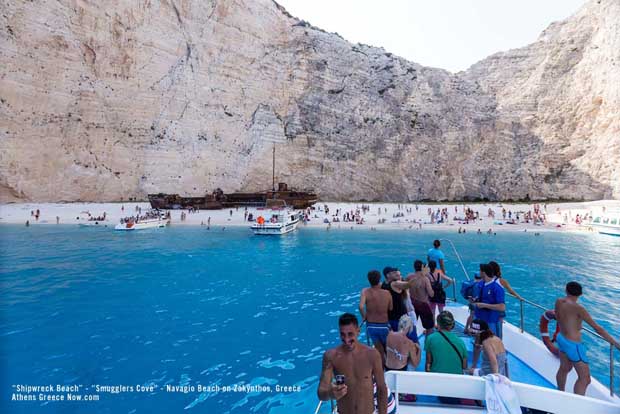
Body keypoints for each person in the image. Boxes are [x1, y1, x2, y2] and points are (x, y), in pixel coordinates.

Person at [555, 282, 620, 396]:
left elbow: (560, 317)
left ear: (566, 291)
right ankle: (577, 406)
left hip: (561, 338)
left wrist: (575, 324)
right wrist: (615, 343)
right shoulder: (579, 308)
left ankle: (560, 394)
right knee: (585, 379)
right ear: (580, 294)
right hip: (573, 345)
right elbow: (597, 328)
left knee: (564, 368)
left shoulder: (559, 301)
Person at [318, 313, 388, 414]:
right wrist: (330, 394)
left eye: (350, 334)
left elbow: (381, 389)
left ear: (358, 331)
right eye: (342, 334)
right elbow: (321, 393)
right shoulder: (331, 357)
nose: (346, 340)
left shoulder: (372, 355)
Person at [424, 311, 468, 404]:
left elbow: (428, 363)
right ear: (452, 325)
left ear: (438, 324)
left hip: (437, 380)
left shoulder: (431, 338)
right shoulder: (461, 342)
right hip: (456, 381)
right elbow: (464, 366)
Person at [359, 270, 392, 362]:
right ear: (379, 279)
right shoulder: (387, 293)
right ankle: (390, 366)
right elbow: (390, 308)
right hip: (384, 325)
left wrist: (364, 316)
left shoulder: (365, 291)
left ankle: (382, 368)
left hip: (371, 325)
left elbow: (361, 306)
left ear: (369, 280)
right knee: (388, 348)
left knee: (379, 351)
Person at [381, 267, 417, 343]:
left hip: (391, 318)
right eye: (393, 273)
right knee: (412, 340)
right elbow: (409, 285)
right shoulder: (394, 284)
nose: (396, 274)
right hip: (402, 318)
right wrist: (420, 275)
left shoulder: (383, 284)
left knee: (398, 340)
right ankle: (415, 353)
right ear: (388, 275)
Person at [470, 263, 505, 338]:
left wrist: (484, 305)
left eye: (480, 271)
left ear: (483, 273)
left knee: (490, 340)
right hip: (478, 317)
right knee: (477, 340)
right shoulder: (480, 284)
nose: (479, 272)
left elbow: (502, 307)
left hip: (490, 320)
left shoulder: (497, 288)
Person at [406, 260, 435, 335]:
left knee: (411, 325)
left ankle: (411, 341)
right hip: (423, 304)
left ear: (414, 267)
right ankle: (427, 343)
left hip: (412, 303)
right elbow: (431, 294)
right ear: (423, 267)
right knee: (429, 327)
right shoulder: (425, 279)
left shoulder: (409, 276)